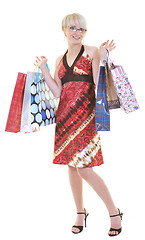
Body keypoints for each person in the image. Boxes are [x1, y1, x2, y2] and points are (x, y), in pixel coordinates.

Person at [34, 13, 123, 237]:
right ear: (64, 30)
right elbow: (58, 92)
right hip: (65, 119)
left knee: (85, 169)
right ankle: (80, 213)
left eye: (81, 29)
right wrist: (44, 68)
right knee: (72, 166)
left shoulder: (91, 51)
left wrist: (102, 58)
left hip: (85, 117)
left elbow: (95, 82)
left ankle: (114, 213)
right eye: (73, 28)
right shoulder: (59, 59)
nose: (77, 33)